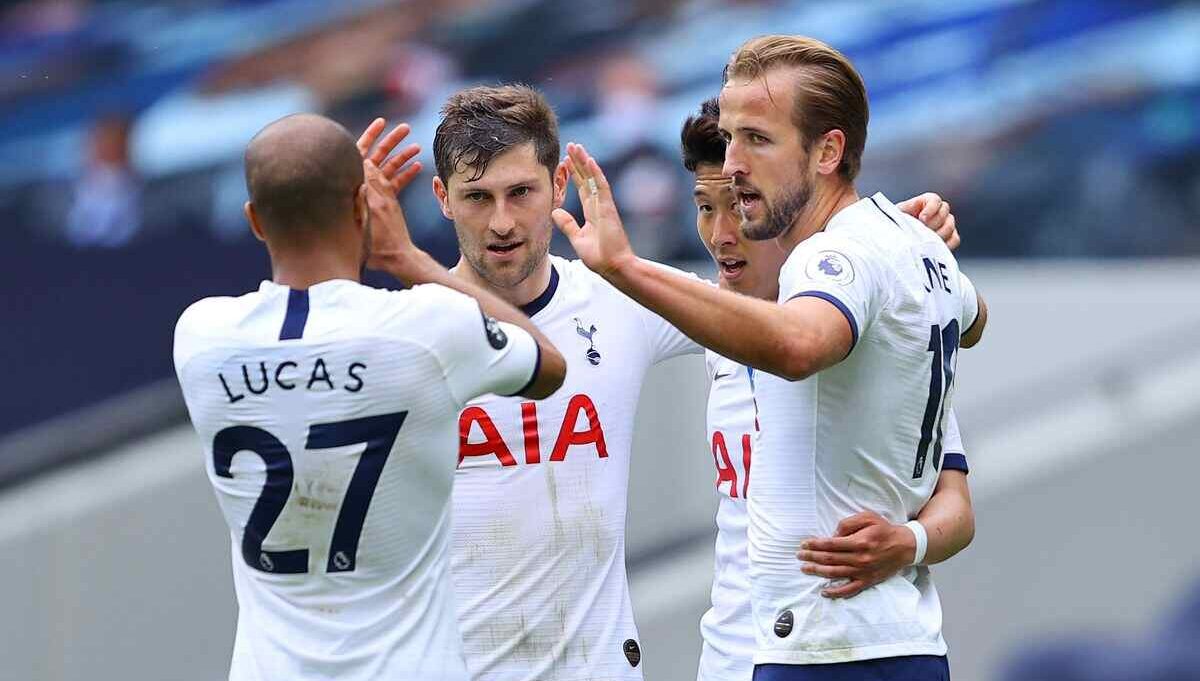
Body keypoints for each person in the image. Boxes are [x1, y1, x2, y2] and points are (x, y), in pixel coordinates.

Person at [402, 83, 961, 681]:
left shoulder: (619, 300)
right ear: (442, 198)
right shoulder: (404, 335)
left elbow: (766, 308)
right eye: (477, 198)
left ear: (558, 185)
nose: (503, 222)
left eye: (521, 192)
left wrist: (887, 250)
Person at [552, 35, 988, 680]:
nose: (733, 165)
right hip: (834, 645)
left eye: (757, 139)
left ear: (828, 151)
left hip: (826, 643)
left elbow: (798, 345)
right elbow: (974, 317)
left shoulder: (832, 261)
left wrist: (623, 265)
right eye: (729, 141)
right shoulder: (899, 252)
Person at [173, 113, 565, 681]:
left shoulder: (201, 338)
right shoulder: (426, 329)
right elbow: (547, 364)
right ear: (364, 208)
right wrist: (405, 258)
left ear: (255, 221)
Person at [679, 98, 976, 681]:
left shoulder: (877, 321)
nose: (721, 235)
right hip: (729, 659)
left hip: (840, 650)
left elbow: (957, 508)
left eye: (738, 206)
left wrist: (908, 541)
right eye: (704, 207)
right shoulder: (702, 319)